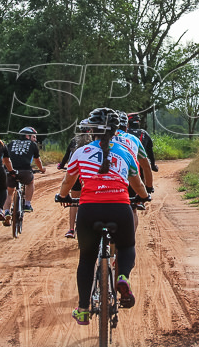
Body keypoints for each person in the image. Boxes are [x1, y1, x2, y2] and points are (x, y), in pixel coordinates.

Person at [56, 110, 149, 324]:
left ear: (91, 129)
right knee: (126, 247)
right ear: (117, 130)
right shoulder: (126, 152)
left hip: (90, 210)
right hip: (120, 208)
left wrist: (62, 197)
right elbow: (137, 184)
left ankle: (82, 309)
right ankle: (123, 276)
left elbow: (68, 182)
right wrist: (145, 196)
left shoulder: (80, 152)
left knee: (87, 258)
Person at [57, 119, 92, 239]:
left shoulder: (74, 141)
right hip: (89, 175)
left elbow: (67, 156)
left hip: (76, 175)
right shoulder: (93, 141)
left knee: (74, 201)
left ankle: (71, 229)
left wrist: (61, 165)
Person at [3, 126, 45, 222]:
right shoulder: (32, 145)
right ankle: (27, 204)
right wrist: (42, 169)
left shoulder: (11, 143)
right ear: (27, 136)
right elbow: (37, 160)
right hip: (25, 172)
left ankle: (6, 212)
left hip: (10, 171)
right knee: (30, 182)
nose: (35, 139)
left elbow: (5, 159)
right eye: (33, 137)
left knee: (9, 192)